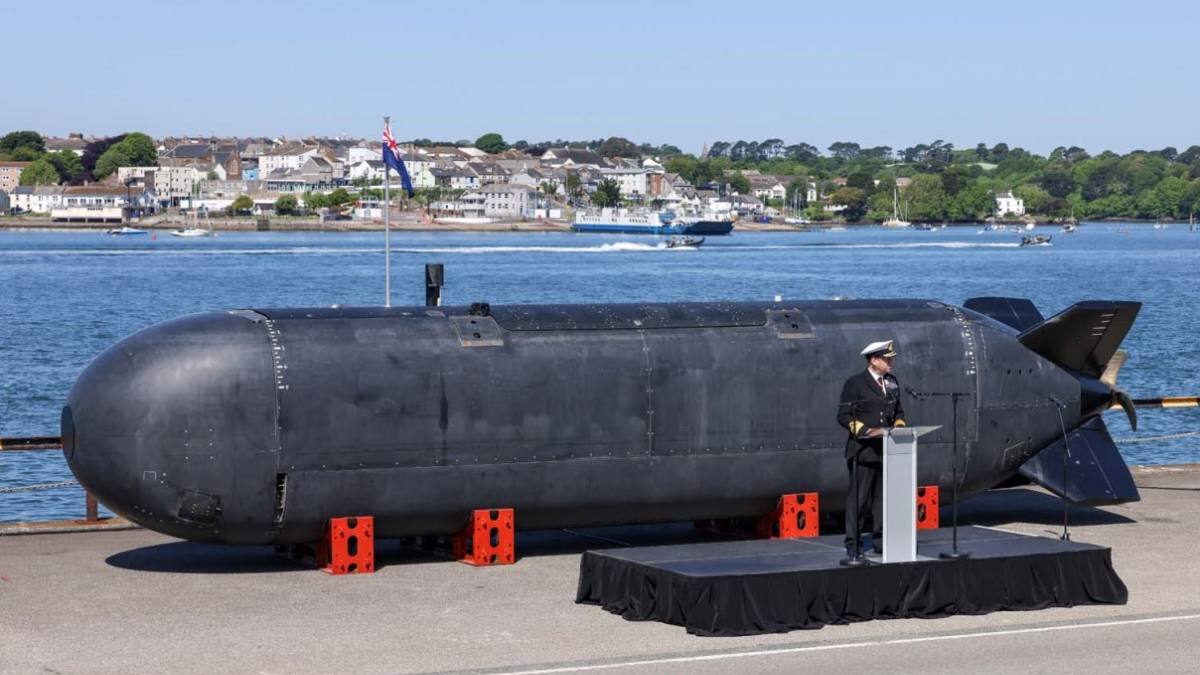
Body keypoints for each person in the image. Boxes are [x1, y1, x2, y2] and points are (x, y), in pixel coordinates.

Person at [837, 339, 906, 557]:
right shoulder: (855, 383)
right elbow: (843, 415)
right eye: (887, 359)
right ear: (874, 360)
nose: (891, 363)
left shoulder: (892, 382)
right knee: (860, 500)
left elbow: (898, 412)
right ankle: (854, 544)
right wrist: (865, 430)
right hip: (863, 451)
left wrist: (899, 427)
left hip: (886, 449)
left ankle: (881, 542)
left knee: (882, 501)